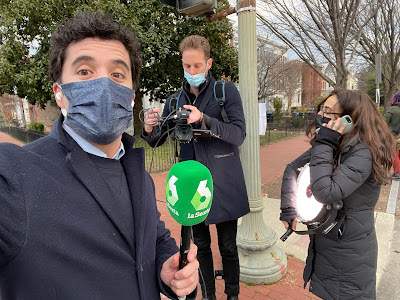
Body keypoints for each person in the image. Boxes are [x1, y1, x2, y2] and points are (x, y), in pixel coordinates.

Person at [0, 12, 199, 299]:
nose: (104, 85)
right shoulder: (15, 177)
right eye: (84, 72)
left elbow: (155, 239)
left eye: (118, 74)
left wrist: (167, 271)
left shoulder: (138, 173)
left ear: (131, 95)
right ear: (60, 92)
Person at [141, 35, 249, 300]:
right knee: (199, 247)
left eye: (197, 66)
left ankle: (232, 296)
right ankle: (209, 296)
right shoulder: (175, 99)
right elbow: (157, 140)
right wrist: (149, 127)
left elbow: (238, 134)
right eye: (187, 66)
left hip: (223, 181)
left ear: (208, 63)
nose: (192, 72)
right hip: (191, 184)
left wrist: (205, 120)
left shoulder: (225, 92)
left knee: (227, 247)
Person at [280, 90, 395, 300]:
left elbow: (326, 191)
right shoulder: (337, 142)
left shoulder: (363, 152)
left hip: (350, 252)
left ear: (350, 118)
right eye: (322, 109)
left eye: (328, 112)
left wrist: (324, 143)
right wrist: (288, 208)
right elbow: (292, 169)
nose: (321, 116)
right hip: (328, 242)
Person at [383, 92, 400, 179]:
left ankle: (397, 173)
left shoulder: (393, 109)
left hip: (393, 136)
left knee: (394, 154)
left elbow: (383, 121)